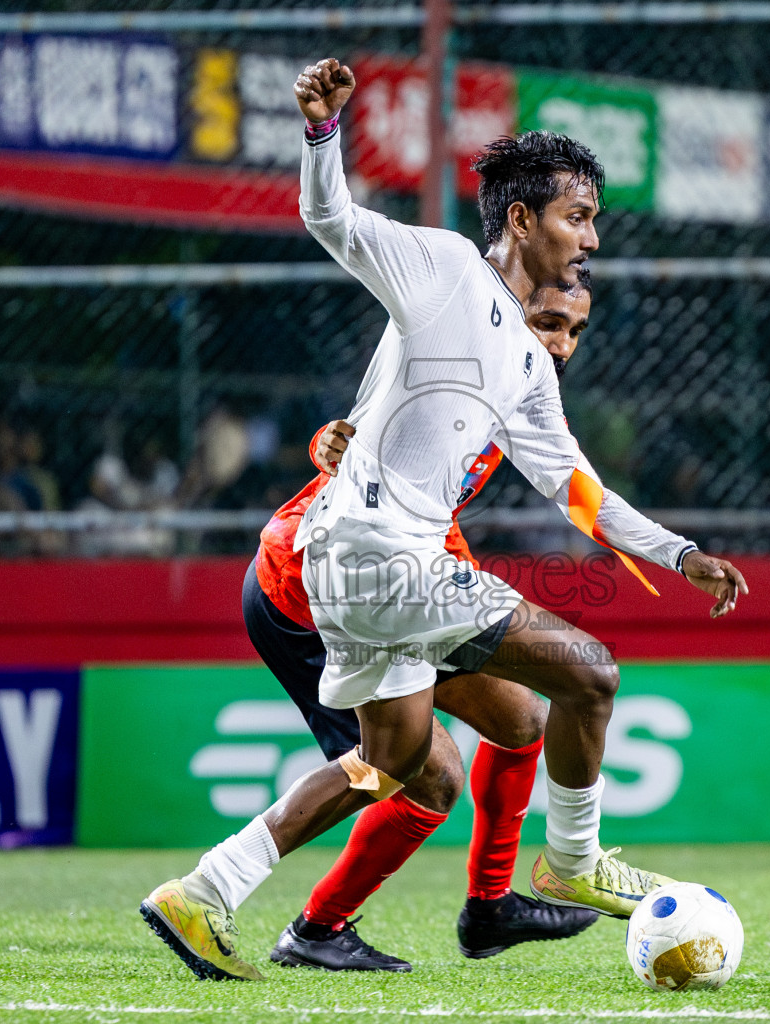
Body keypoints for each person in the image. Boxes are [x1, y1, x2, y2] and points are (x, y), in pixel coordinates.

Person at [141, 58, 747, 982]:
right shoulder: (445, 267)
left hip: (348, 570)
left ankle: (205, 891)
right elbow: (331, 220)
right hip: (379, 560)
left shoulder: (530, 370)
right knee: (590, 673)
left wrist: (681, 551)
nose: (590, 240)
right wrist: (320, 135)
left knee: (388, 766)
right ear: (520, 219)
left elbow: (577, 489)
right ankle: (573, 864)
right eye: (577, 217)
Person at [247, 278, 598, 974]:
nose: (560, 347)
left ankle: (490, 910)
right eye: (547, 325)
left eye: (574, 332)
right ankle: (302, 923)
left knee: (522, 721)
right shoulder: (461, 361)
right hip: (307, 594)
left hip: (405, 581)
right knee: (427, 778)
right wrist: (328, 441)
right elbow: (359, 431)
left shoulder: (517, 401)